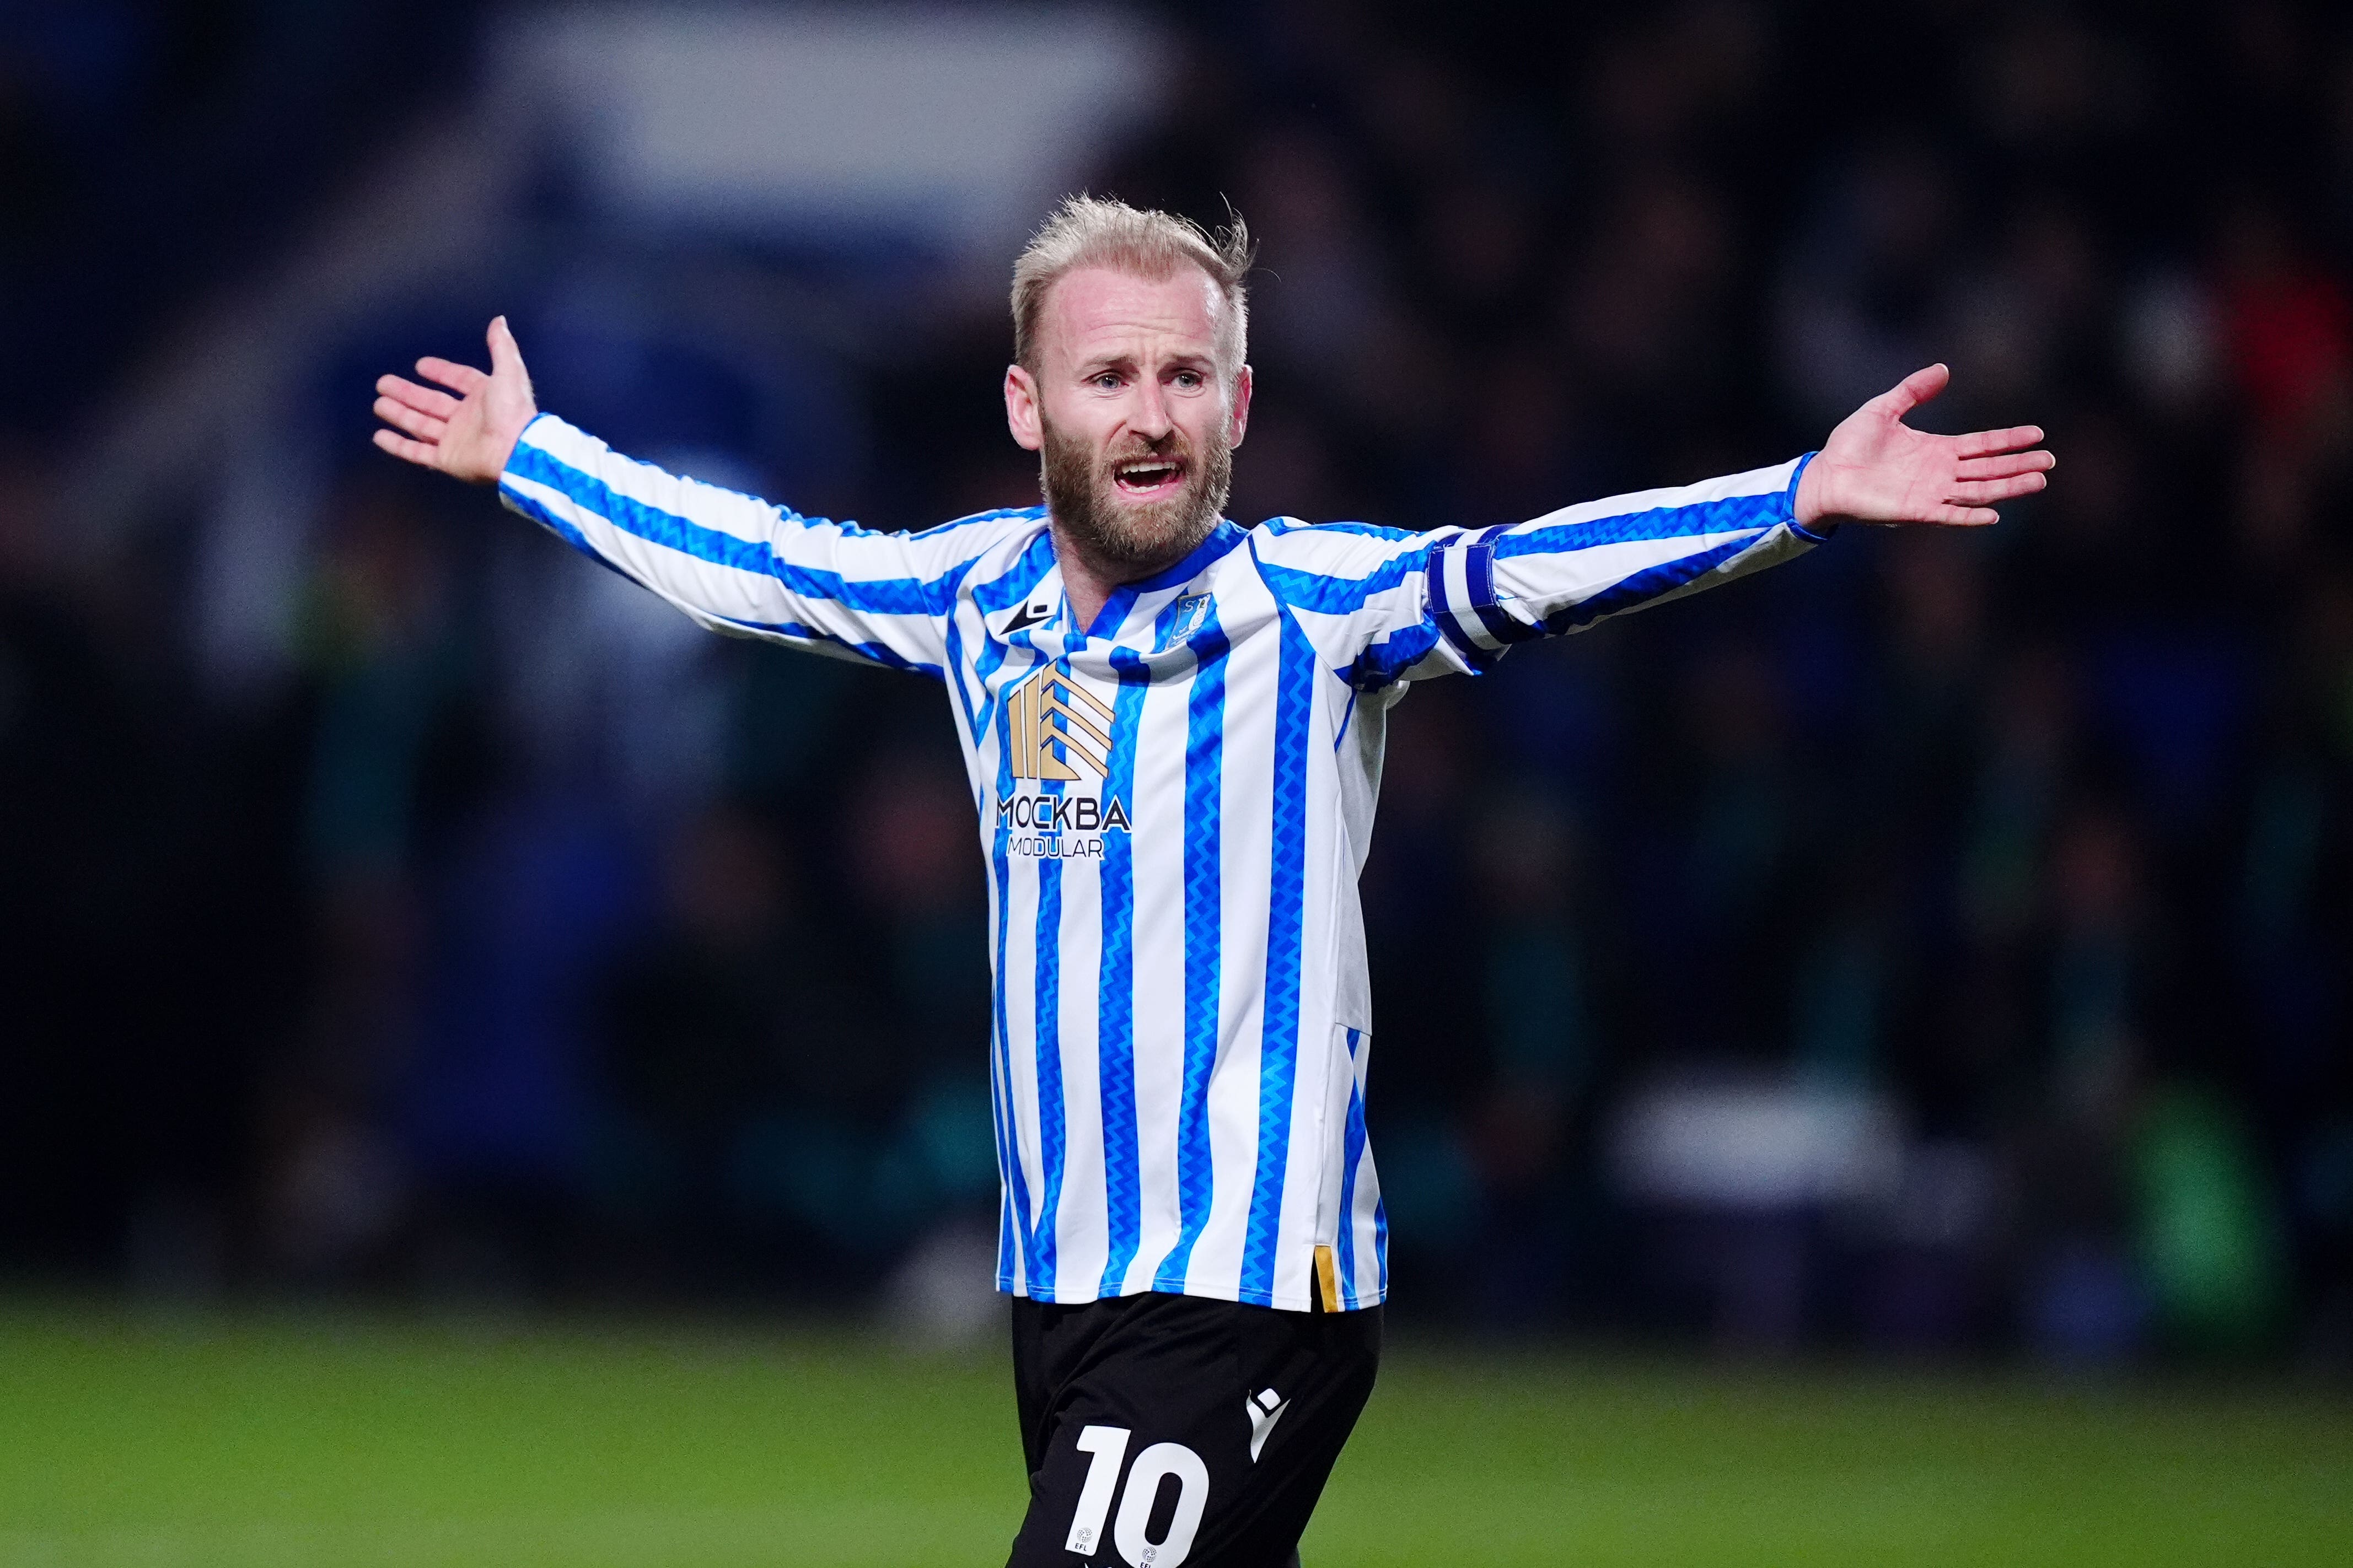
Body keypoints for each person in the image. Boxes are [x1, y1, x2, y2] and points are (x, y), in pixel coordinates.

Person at [372, 196, 2052, 1567]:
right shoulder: (978, 598)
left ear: (1239, 408)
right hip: (1068, 1284)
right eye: (1108, 377)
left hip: (1245, 1285)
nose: (1151, 412)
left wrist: (1795, 501)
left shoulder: (1311, 614)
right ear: (1031, 409)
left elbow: (1526, 573)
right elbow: (764, 569)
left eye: (1187, 376)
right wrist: (537, 457)